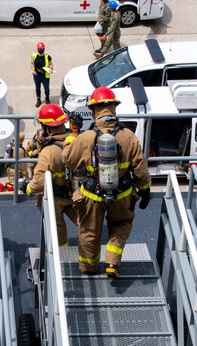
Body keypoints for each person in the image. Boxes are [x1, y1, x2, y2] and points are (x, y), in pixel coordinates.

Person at [63, 86, 151, 278]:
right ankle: (112, 262)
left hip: (91, 195)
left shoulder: (86, 137)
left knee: (88, 232)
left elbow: (67, 158)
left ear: (94, 110)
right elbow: (140, 168)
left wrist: (73, 135)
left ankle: (88, 268)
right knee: (121, 225)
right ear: (114, 108)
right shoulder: (128, 136)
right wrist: (145, 190)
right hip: (122, 194)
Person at [26, 104, 79, 246]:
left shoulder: (48, 151)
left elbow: (39, 181)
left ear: (47, 128)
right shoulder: (75, 140)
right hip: (77, 194)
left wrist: (29, 189)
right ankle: (91, 248)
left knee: (56, 226)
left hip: (56, 197)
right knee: (85, 223)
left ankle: (61, 253)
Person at [31, 42, 53, 107]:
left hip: (45, 76)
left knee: (46, 88)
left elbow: (51, 64)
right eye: (39, 49)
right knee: (37, 88)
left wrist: (51, 68)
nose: (41, 50)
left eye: (42, 49)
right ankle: (38, 100)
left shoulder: (47, 57)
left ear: (44, 49)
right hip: (37, 75)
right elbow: (32, 64)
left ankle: (47, 98)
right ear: (37, 49)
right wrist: (33, 70)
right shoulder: (34, 56)